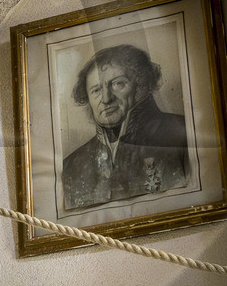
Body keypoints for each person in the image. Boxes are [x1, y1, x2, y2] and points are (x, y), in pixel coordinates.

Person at [60, 42, 189, 212]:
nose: (105, 99)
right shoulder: (71, 166)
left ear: (142, 85)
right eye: (96, 90)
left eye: (118, 84)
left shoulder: (184, 133)